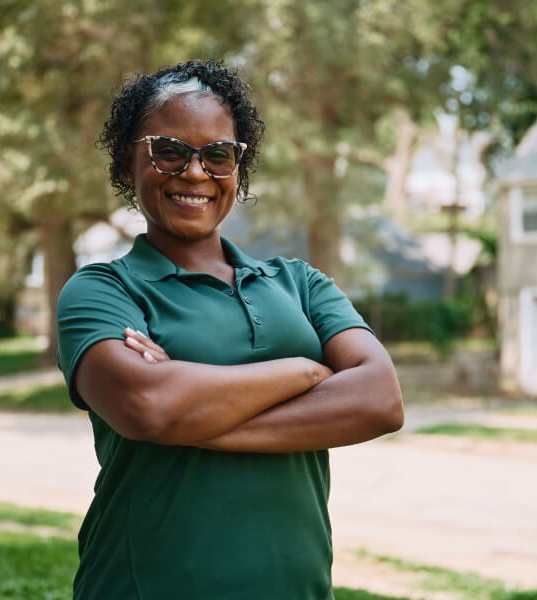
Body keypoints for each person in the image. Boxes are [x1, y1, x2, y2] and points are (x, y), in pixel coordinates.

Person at [56, 59, 404, 600]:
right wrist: (304, 371)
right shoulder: (102, 290)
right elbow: (146, 405)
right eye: (169, 150)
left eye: (218, 154)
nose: (195, 173)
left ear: (238, 168)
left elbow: (380, 400)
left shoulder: (300, 283)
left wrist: (188, 413)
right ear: (129, 161)